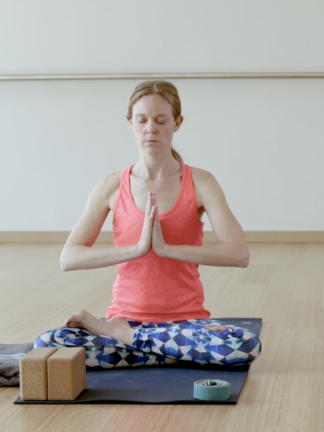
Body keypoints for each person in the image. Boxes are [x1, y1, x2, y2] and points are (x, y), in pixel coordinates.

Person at [34, 80, 261, 368]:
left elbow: (239, 253)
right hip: (129, 319)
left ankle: (131, 342)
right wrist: (138, 248)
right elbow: (69, 258)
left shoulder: (201, 182)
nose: (150, 128)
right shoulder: (112, 185)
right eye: (141, 120)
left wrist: (166, 248)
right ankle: (167, 352)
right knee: (49, 343)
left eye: (161, 120)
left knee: (244, 344)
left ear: (177, 123)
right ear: (131, 122)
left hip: (185, 323)